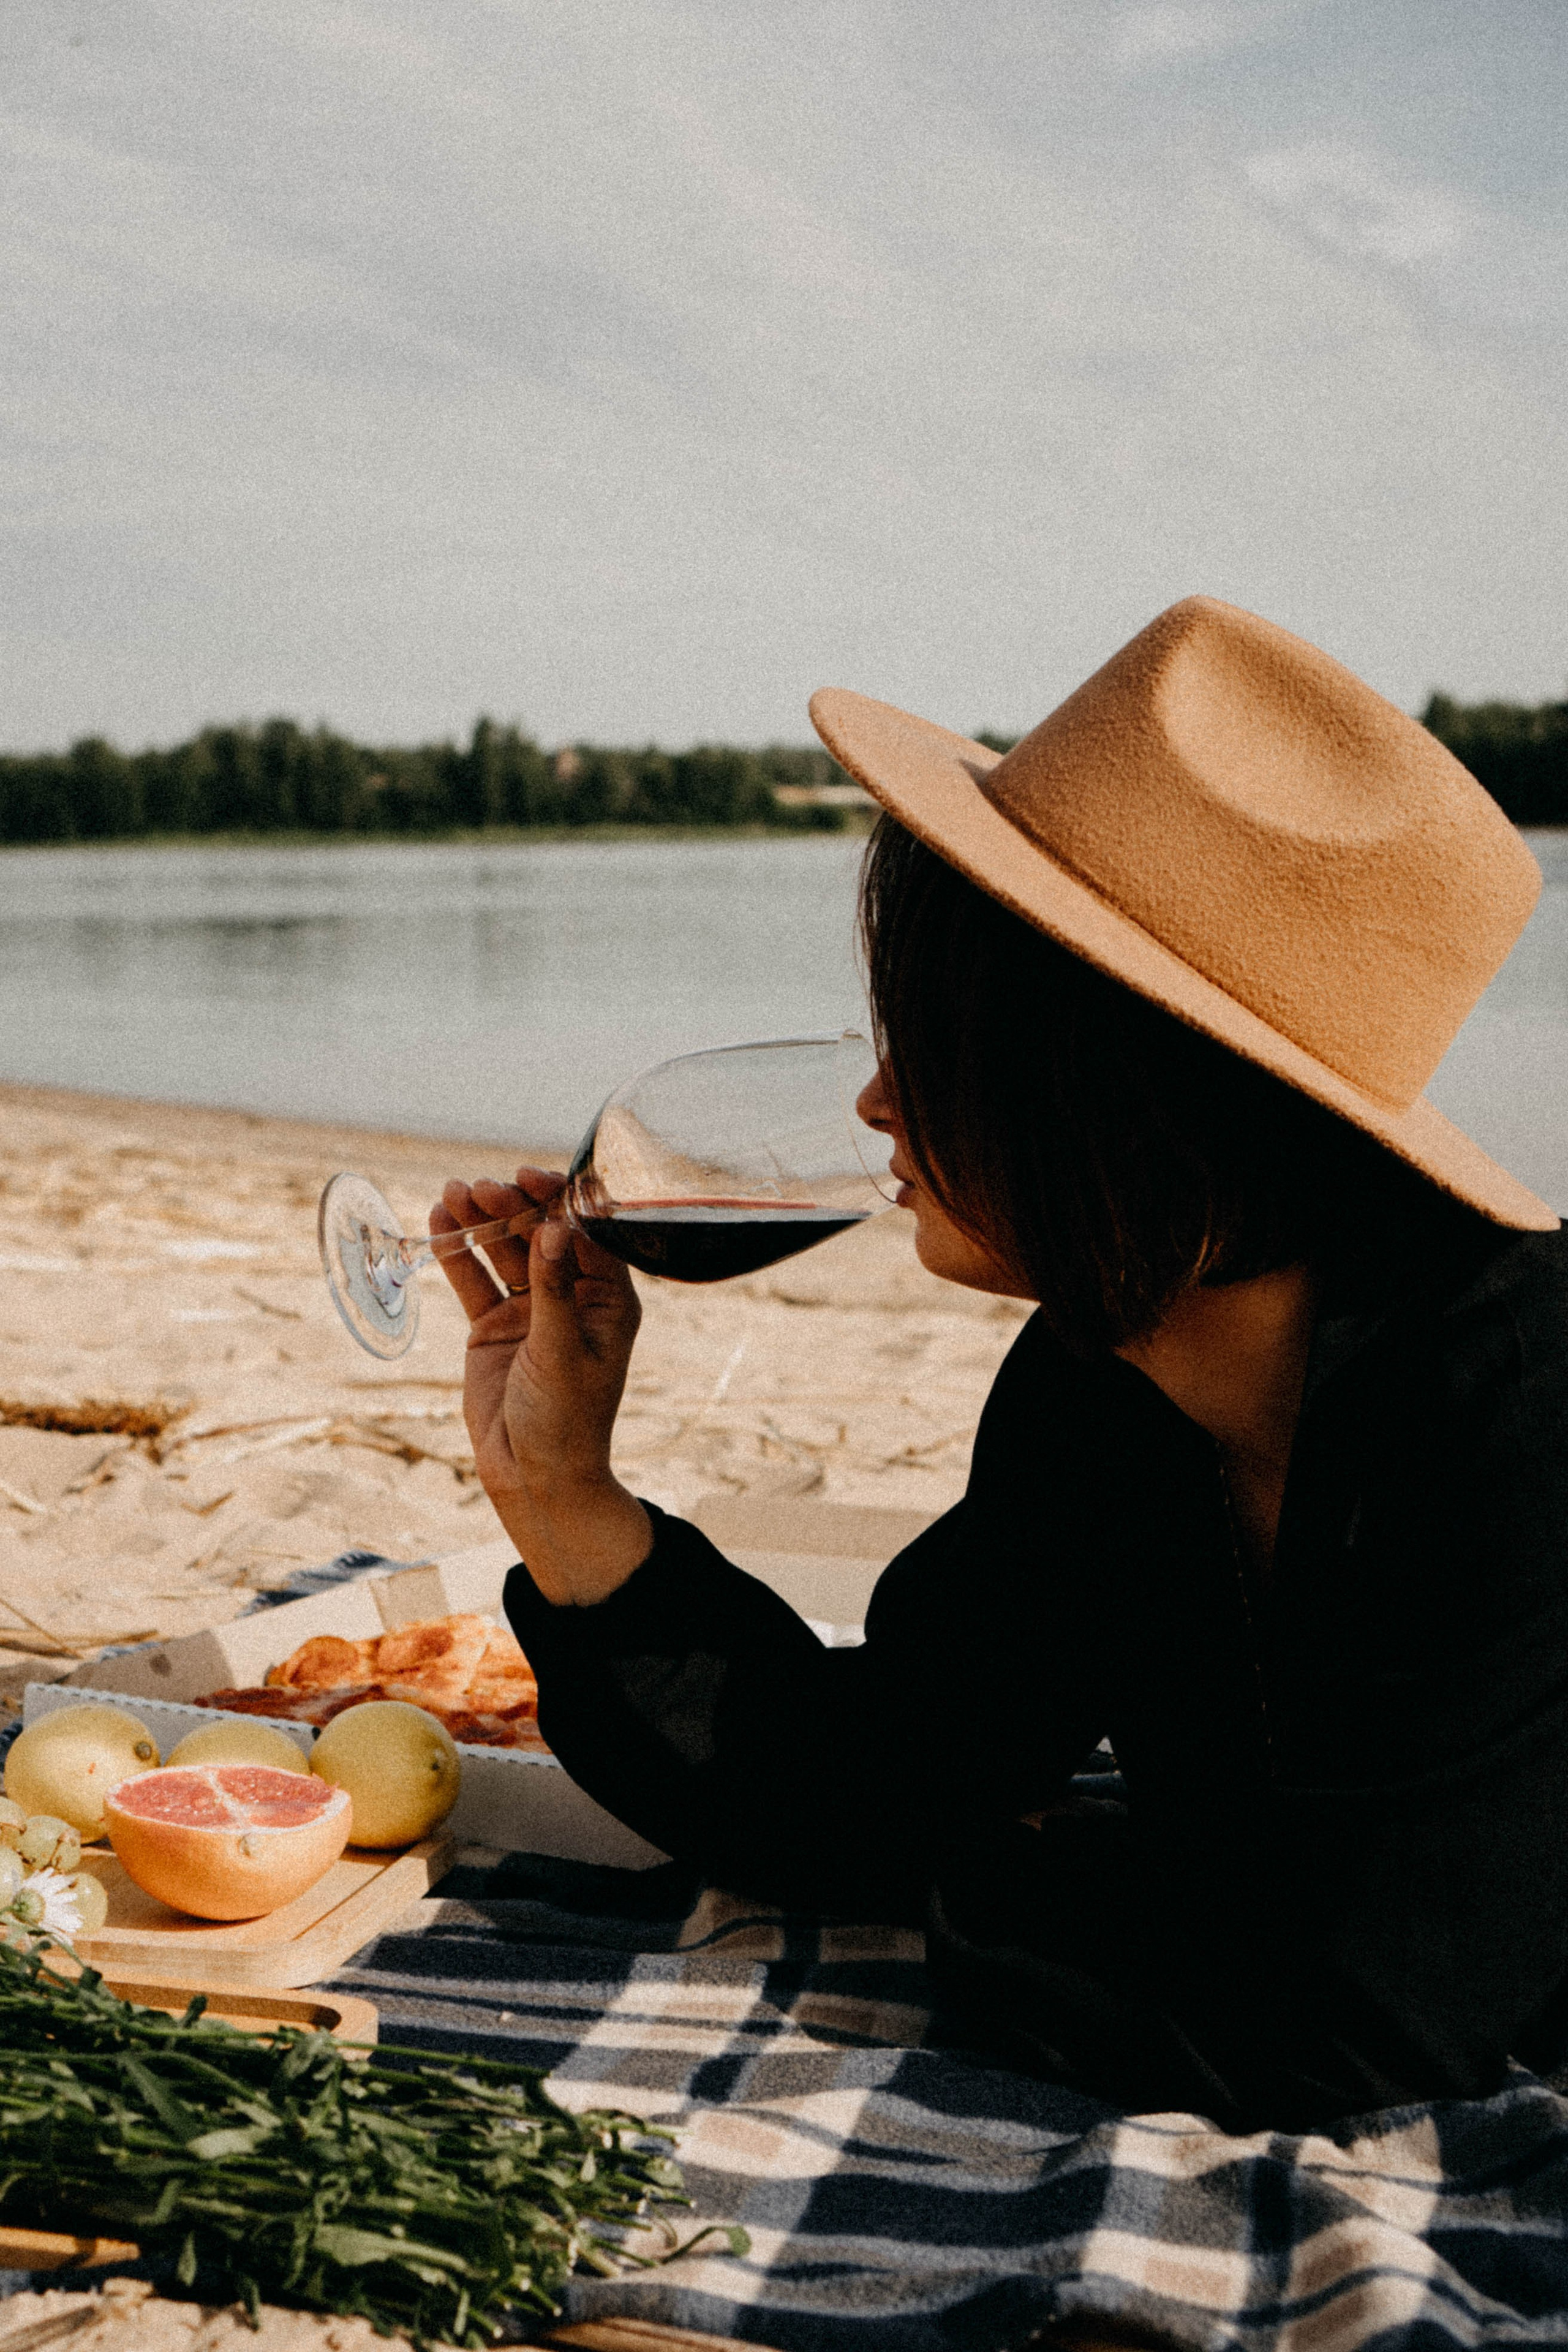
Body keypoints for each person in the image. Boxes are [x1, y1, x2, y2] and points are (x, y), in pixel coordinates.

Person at [431, 597, 1568, 2132]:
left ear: (1115, 1085)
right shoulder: (1104, 1390)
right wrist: (563, 1491)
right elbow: (862, 1785)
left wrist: (999, 1870)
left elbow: (1348, 2025)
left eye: (937, 1043)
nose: (878, 1104)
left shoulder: (1517, 1407)